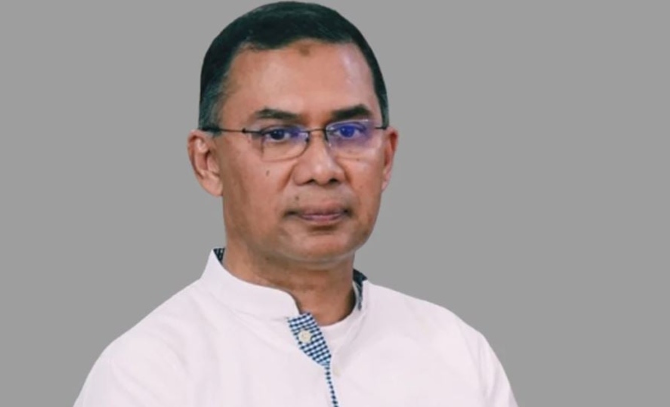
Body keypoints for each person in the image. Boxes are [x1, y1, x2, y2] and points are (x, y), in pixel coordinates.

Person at [73, 2, 519, 406]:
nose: (322, 169)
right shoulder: (149, 377)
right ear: (208, 162)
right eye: (278, 135)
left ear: (387, 157)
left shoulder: (456, 354)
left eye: (349, 132)